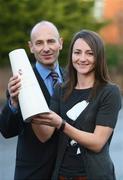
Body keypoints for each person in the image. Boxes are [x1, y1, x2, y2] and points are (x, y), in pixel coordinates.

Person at [32, 29, 121, 180]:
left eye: (90, 53)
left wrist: (62, 124)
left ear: (98, 57)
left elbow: (97, 142)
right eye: (77, 52)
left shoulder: (109, 92)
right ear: (71, 55)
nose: (82, 58)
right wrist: (27, 100)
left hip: (94, 175)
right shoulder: (60, 89)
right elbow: (44, 135)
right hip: (62, 175)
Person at [0, 20, 64, 179]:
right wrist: (13, 103)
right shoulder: (19, 81)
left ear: (60, 43)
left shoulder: (73, 78)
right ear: (31, 47)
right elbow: (7, 131)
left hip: (67, 172)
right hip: (34, 173)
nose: (46, 48)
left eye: (51, 41)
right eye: (39, 43)